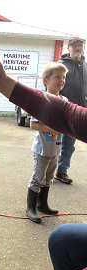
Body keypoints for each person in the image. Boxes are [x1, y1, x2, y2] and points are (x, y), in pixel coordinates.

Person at [0, 48, 87, 270]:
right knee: (63, 238)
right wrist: (4, 84)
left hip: (53, 151)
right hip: (44, 151)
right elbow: (68, 115)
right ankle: (33, 205)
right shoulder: (58, 101)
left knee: (47, 179)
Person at [26, 62, 68, 223]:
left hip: (56, 147)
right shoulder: (42, 100)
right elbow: (33, 124)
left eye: (63, 77)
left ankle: (42, 204)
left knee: (49, 178)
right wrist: (55, 127)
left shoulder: (64, 100)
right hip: (42, 148)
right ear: (46, 80)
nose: (61, 80)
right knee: (38, 178)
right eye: (57, 77)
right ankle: (31, 207)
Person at [54, 37, 87, 184]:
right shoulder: (61, 65)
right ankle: (48, 170)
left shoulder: (86, 66)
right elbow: (54, 84)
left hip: (78, 111)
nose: (77, 48)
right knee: (53, 141)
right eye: (74, 46)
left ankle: (62, 171)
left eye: (80, 45)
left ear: (84, 48)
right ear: (69, 49)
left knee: (69, 144)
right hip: (62, 109)